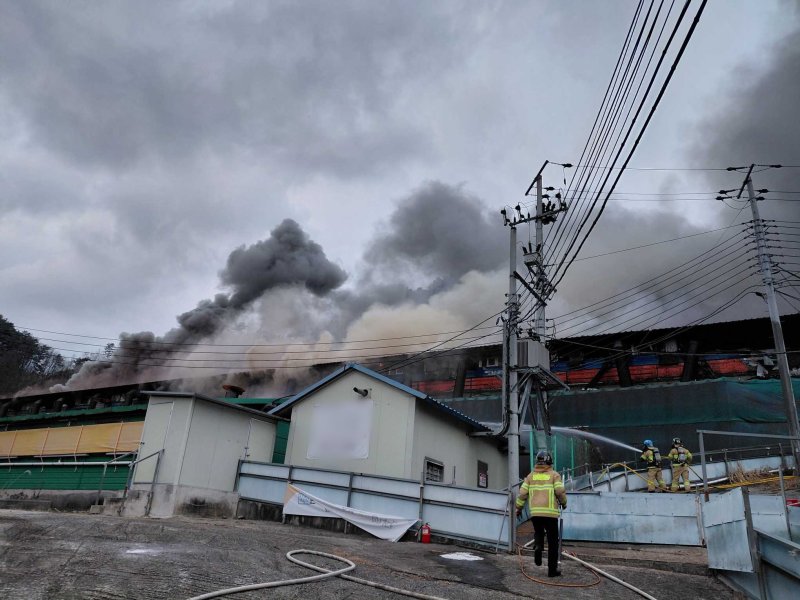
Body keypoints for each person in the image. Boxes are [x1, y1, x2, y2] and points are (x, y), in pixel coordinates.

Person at [515, 450, 567, 577]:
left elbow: (522, 494)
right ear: (549, 461)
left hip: (536, 513)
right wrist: (564, 503)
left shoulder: (530, 476)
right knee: (553, 542)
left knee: (538, 532)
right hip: (550, 514)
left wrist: (518, 507)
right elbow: (560, 491)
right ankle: (552, 571)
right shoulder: (554, 475)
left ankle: (538, 546)